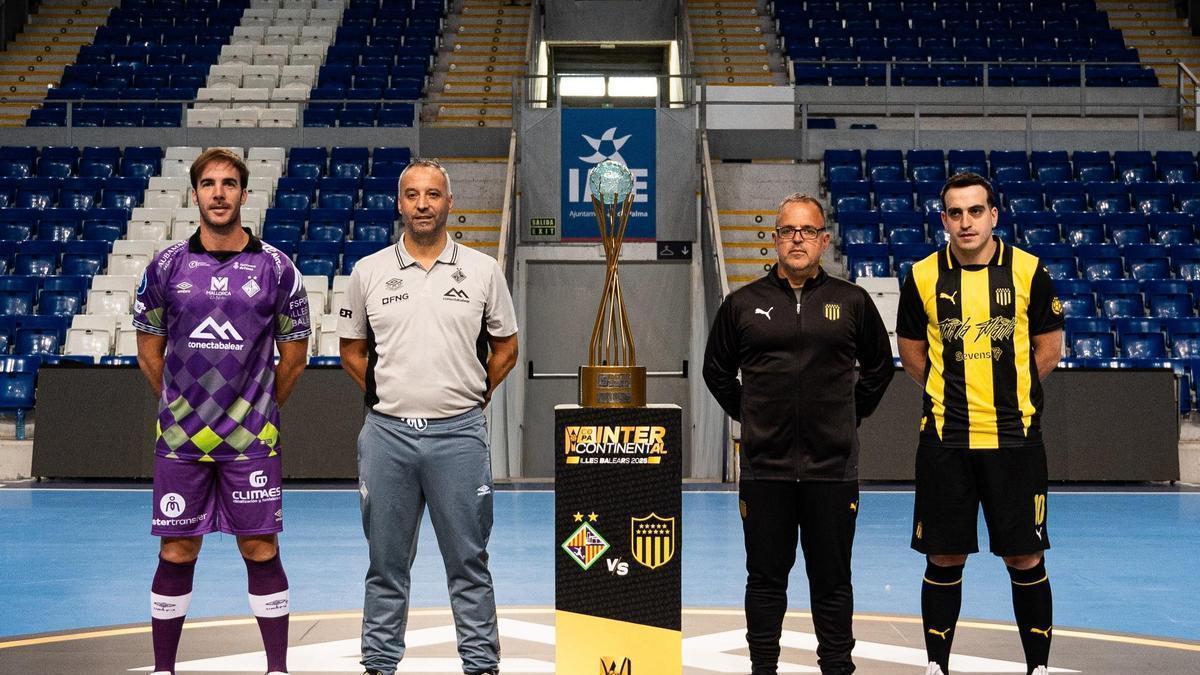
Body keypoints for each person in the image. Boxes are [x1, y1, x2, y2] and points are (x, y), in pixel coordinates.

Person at [337, 158, 519, 675]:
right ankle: (379, 664)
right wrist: (387, 397)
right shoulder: (369, 271)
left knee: (468, 563)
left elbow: (505, 347)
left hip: (459, 436)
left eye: (433, 195)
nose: (422, 204)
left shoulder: (483, 270)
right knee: (386, 565)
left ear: (449, 203)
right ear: (400, 203)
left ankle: (482, 665)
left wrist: (473, 396)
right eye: (413, 195)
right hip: (387, 437)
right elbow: (353, 351)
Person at [135, 148, 311, 675]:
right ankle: (164, 669)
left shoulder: (278, 268)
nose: (218, 193)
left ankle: (277, 669)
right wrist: (181, 408)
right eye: (208, 184)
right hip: (180, 443)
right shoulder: (165, 266)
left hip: (251, 441)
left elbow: (295, 356)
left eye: (229, 183)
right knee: (177, 550)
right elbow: (149, 350)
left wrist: (252, 412)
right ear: (194, 194)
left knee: (260, 548)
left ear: (243, 193)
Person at [703, 193, 894, 675]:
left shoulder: (852, 301)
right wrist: (752, 416)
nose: (797, 240)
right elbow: (716, 372)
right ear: (775, 239)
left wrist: (847, 418)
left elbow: (878, 368)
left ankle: (837, 668)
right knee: (765, 580)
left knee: (832, 581)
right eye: (788, 231)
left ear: (824, 241)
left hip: (832, 469)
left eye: (807, 231)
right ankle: (763, 667)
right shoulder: (742, 304)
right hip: (765, 468)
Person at [895, 172, 1063, 675]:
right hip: (946, 441)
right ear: (943, 218)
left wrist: (1007, 397)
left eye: (975, 211)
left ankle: (1039, 667)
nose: (965, 222)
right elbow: (912, 356)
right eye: (954, 212)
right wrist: (958, 396)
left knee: (1024, 556)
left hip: (1015, 440)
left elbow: (1049, 350)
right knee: (944, 557)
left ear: (993, 214)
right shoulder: (923, 275)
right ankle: (936, 666)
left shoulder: (1030, 271)